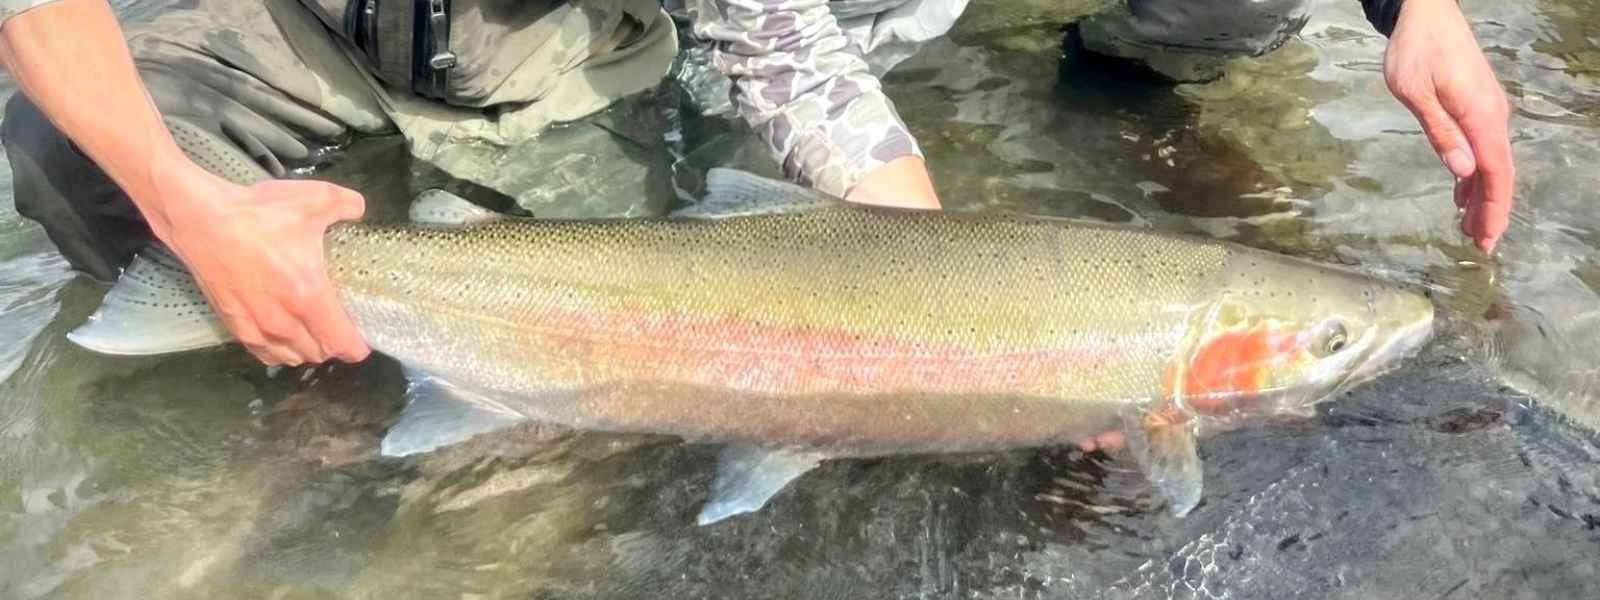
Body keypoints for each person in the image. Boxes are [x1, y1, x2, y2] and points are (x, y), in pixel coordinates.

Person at [0, 0, 1511, 369]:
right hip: (299, 19)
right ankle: (236, 299)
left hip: (547, 40)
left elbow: (782, 44)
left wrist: (934, 309)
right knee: (70, 135)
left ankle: (357, 337)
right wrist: (196, 216)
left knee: (601, 283)